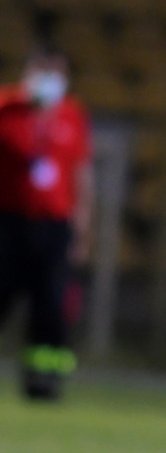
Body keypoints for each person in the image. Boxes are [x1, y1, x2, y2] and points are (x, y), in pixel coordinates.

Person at [0, 43, 93, 400]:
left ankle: (44, 382)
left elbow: (81, 174)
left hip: (54, 227)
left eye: (57, 72)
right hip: (9, 225)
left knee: (50, 306)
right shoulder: (8, 109)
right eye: (43, 71)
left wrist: (82, 227)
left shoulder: (71, 115)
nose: (50, 80)